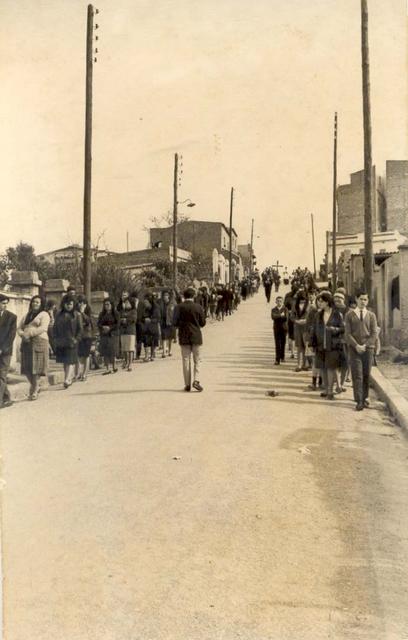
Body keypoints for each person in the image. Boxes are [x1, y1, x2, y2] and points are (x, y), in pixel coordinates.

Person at [344, 290, 378, 411]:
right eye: (361, 299)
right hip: (354, 349)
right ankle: (359, 400)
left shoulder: (371, 315)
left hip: (368, 349)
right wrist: (356, 345)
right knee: (357, 374)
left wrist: (365, 345)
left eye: (365, 299)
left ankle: (365, 397)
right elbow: (347, 334)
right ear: (356, 299)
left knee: (366, 374)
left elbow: (374, 334)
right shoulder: (349, 315)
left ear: (367, 301)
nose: (363, 302)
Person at [311, 292, 344, 400]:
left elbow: (342, 329)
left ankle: (330, 391)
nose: (319, 303)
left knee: (330, 367)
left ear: (327, 302)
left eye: (321, 301)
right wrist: (312, 343)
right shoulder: (318, 315)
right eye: (319, 301)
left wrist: (334, 329)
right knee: (322, 368)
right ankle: (326, 389)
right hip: (320, 345)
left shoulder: (337, 314)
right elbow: (314, 330)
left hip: (333, 345)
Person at [173, 286, 206, 392]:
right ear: (193, 296)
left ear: (184, 295)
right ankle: (196, 380)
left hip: (183, 335)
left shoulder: (178, 307)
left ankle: (187, 384)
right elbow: (203, 323)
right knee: (197, 360)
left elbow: (174, 322)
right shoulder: (198, 307)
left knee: (186, 360)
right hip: (196, 335)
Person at [17, 295, 50, 400]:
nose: (34, 304)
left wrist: (30, 334)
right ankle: (36, 385)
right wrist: (23, 334)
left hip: (39, 341)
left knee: (36, 368)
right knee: (27, 368)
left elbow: (43, 328)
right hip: (26, 342)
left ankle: (34, 389)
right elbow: (19, 328)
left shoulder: (44, 314)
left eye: (37, 302)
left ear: (41, 304)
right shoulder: (27, 315)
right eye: (33, 302)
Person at [54, 295, 83, 388]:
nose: (68, 306)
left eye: (70, 304)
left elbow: (80, 329)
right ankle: (68, 378)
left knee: (70, 361)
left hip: (72, 341)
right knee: (64, 361)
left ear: (73, 304)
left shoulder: (77, 315)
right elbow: (55, 327)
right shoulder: (59, 314)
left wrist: (76, 339)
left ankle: (67, 379)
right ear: (63, 304)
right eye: (66, 304)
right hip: (61, 341)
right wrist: (55, 339)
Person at [0, 293, 17, 409]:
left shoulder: (12, 317)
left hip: (5, 351)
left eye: (6, 304)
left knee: (1, 375)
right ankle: (7, 396)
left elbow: (11, 336)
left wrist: (2, 349)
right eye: (2, 303)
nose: (4, 306)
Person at [97, 298, 120, 374]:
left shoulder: (115, 313)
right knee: (105, 352)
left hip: (112, 334)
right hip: (104, 335)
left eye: (108, 304)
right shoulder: (102, 314)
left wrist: (110, 328)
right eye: (105, 304)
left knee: (112, 351)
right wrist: (103, 327)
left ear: (111, 305)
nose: (107, 306)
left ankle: (114, 366)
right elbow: (99, 323)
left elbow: (118, 324)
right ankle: (107, 368)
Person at [76, 297, 96, 381]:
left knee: (86, 355)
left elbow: (88, 322)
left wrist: (82, 312)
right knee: (79, 356)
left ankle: (85, 374)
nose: (81, 304)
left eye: (83, 303)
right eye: (80, 302)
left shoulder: (88, 315)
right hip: (79, 337)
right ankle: (79, 373)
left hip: (87, 336)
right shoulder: (76, 313)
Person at [117, 292, 137, 371]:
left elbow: (134, 319)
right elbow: (118, 318)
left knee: (130, 348)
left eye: (127, 302)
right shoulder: (121, 311)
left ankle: (130, 363)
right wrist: (122, 320)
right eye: (125, 302)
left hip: (130, 331)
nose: (126, 304)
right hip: (123, 331)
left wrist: (126, 320)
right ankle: (125, 361)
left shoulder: (133, 310)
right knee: (125, 348)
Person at [291, 291, 309, 372]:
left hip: (306, 328)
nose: (302, 302)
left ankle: (305, 364)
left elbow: (311, 316)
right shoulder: (294, 305)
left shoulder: (309, 306)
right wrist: (296, 321)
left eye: (304, 300)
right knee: (299, 347)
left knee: (306, 347)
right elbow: (291, 316)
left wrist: (306, 320)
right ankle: (299, 364)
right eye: (301, 300)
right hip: (298, 328)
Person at [142, 292, 161, 361]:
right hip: (146, 327)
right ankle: (147, 355)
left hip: (153, 326)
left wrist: (151, 320)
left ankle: (152, 355)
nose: (146, 303)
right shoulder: (144, 307)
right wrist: (144, 319)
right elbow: (140, 316)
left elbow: (158, 318)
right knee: (146, 341)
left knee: (153, 341)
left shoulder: (156, 307)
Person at [271, 296, 287, 365]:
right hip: (276, 328)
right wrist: (280, 315)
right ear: (276, 302)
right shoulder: (273, 309)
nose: (279, 302)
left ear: (282, 301)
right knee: (277, 344)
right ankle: (277, 359)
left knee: (283, 343)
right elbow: (273, 317)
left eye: (280, 301)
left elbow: (286, 317)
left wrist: (278, 316)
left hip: (284, 328)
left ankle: (282, 356)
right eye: (278, 301)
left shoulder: (285, 309)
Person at [160, 290, 176, 357]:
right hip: (163, 322)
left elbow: (175, 312)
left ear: (169, 296)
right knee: (164, 337)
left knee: (170, 338)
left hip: (171, 323)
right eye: (164, 295)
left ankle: (170, 351)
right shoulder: (161, 304)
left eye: (166, 295)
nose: (165, 297)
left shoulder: (173, 303)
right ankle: (164, 352)